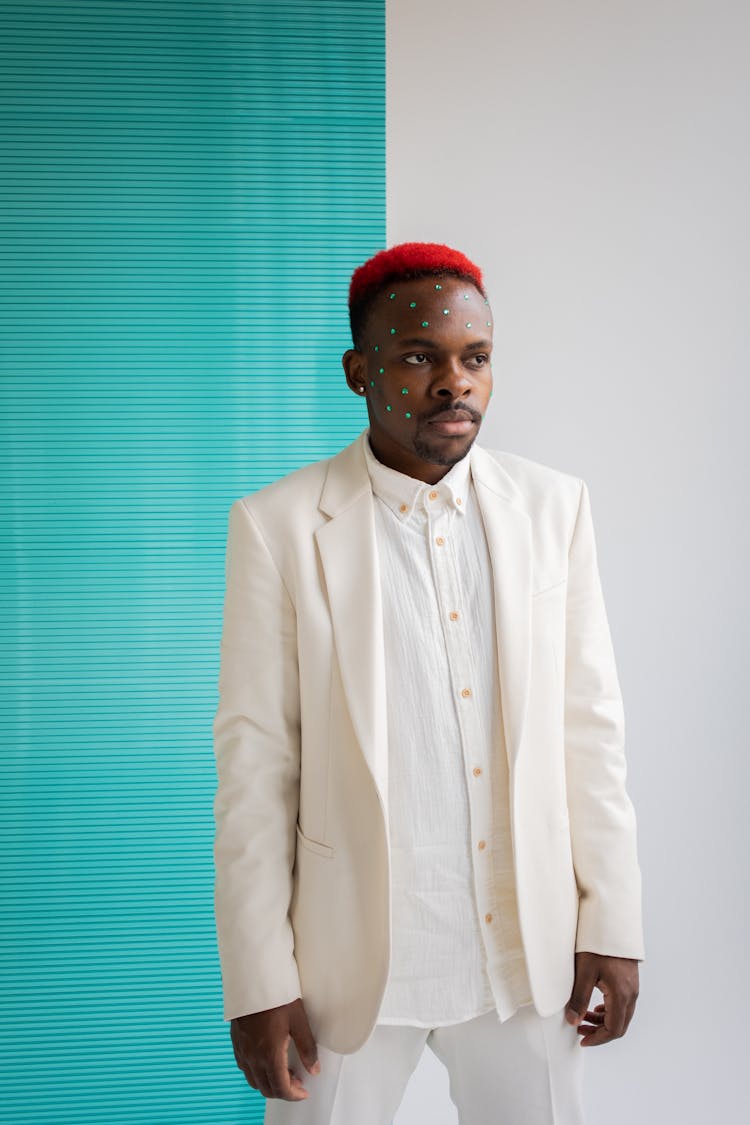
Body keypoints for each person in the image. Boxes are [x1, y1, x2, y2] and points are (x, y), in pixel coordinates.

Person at [212, 242, 644, 1125]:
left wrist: (613, 921)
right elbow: (256, 770)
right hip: (349, 967)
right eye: (418, 358)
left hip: (526, 959)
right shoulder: (279, 526)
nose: (455, 383)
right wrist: (258, 978)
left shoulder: (554, 508)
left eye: (474, 358)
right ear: (358, 371)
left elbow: (589, 728)